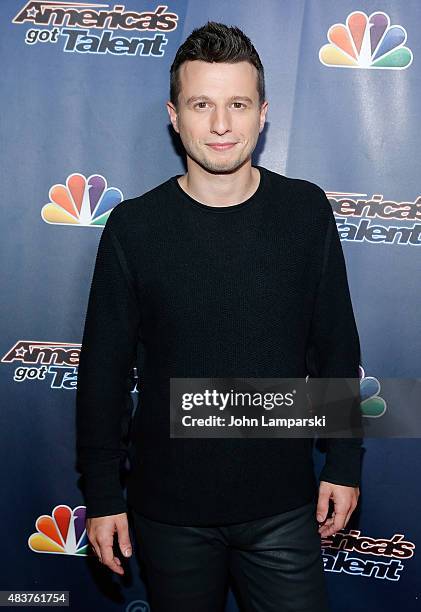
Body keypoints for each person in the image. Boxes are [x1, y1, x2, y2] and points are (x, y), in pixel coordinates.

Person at [76, 21, 363, 612]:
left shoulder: (305, 211)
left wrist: (344, 460)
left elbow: (335, 346)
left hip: (285, 506)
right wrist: (104, 494)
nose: (221, 124)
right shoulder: (134, 227)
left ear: (263, 113)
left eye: (237, 103)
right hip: (168, 515)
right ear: (174, 115)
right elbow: (103, 377)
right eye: (201, 104)